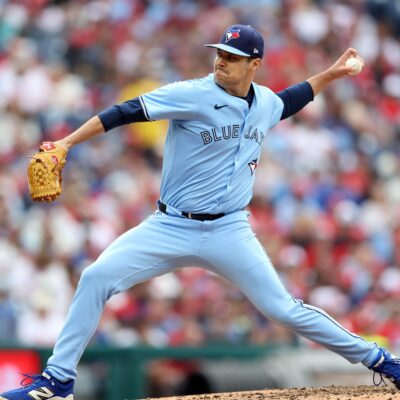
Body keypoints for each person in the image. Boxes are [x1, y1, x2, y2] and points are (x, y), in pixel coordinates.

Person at [1, 24, 399, 400]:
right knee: (95, 277)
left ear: (254, 65)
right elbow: (125, 111)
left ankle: (380, 360)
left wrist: (331, 74)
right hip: (170, 225)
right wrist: (67, 143)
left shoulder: (264, 103)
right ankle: (58, 381)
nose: (221, 60)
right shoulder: (190, 93)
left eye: (233, 56)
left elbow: (293, 98)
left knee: (283, 308)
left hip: (230, 231)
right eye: (220, 53)